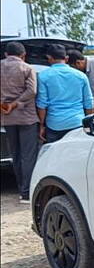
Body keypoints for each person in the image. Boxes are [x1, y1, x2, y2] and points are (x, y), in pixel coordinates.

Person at [1, 41, 39, 203]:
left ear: (6, 54)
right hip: (26, 117)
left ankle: (20, 188)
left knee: (15, 155)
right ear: (23, 55)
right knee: (28, 155)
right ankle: (26, 192)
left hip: (7, 118)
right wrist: (16, 104)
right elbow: (32, 91)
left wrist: (5, 105)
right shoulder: (27, 68)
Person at [36, 44, 93, 143]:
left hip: (54, 124)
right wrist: (88, 123)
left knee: (55, 155)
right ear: (66, 58)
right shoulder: (81, 76)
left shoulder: (43, 76)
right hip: (77, 123)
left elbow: (42, 104)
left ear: (49, 58)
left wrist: (41, 125)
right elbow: (89, 102)